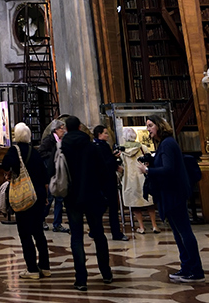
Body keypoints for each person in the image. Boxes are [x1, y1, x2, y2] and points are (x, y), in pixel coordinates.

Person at [145, 116, 204, 284]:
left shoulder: (168, 144)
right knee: (179, 234)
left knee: (184, 232)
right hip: (171, 193)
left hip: (174, 194)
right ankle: (187, 267)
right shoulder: (165, 144)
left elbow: (169, 168)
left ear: (159, 126)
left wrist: (148, 170)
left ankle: (195, 270)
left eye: (150, 125)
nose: (148, 129)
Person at [60, 116, 112, 289]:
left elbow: (54, 171)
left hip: (72, 198)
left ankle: (81, 279)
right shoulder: (91, 147)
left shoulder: (62, 148)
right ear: (80, 128)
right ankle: (106, 273)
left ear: (66, 129)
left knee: (76, 238)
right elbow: (104, 172)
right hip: (92, 196)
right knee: (98, 234)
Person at [1, 121, 51, 278]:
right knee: (38, 232)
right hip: (38, 195)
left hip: (24, 196)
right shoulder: (35, 152)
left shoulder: (14, 150)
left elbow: (5, 164)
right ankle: (45, 267)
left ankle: (32, 269)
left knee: (25, 234)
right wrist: (45, 196)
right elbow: (45, 175)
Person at [117, 128, 157, 235]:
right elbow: (150, 161)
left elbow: (120, 167)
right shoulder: (143, 148)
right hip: (143, 177)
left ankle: (141, 227)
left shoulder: (122, 151)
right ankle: (154, 225)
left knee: (134, 204)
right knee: (149, 202)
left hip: (130, 180)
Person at [92, 125, 125, 241]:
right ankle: (115, 232)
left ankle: (95, 229)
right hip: (106, 181)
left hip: (103, 181)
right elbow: (105, 163)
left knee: (105, 207)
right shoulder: (99, 147)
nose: (107, 135)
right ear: (99, 134)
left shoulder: (99, 146)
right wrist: (114, 159)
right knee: (111, 208)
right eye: (105, 133)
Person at [43, 118, 67, 231]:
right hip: (51, 174)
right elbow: (42, 153)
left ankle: (57, 224)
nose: (63, 131)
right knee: (49, 198)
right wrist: (54, 156)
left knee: (59, 199)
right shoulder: (49, 140)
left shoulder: (62, 141)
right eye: (62, 129)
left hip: (60, 174)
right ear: (56, 130)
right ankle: (42, 219)